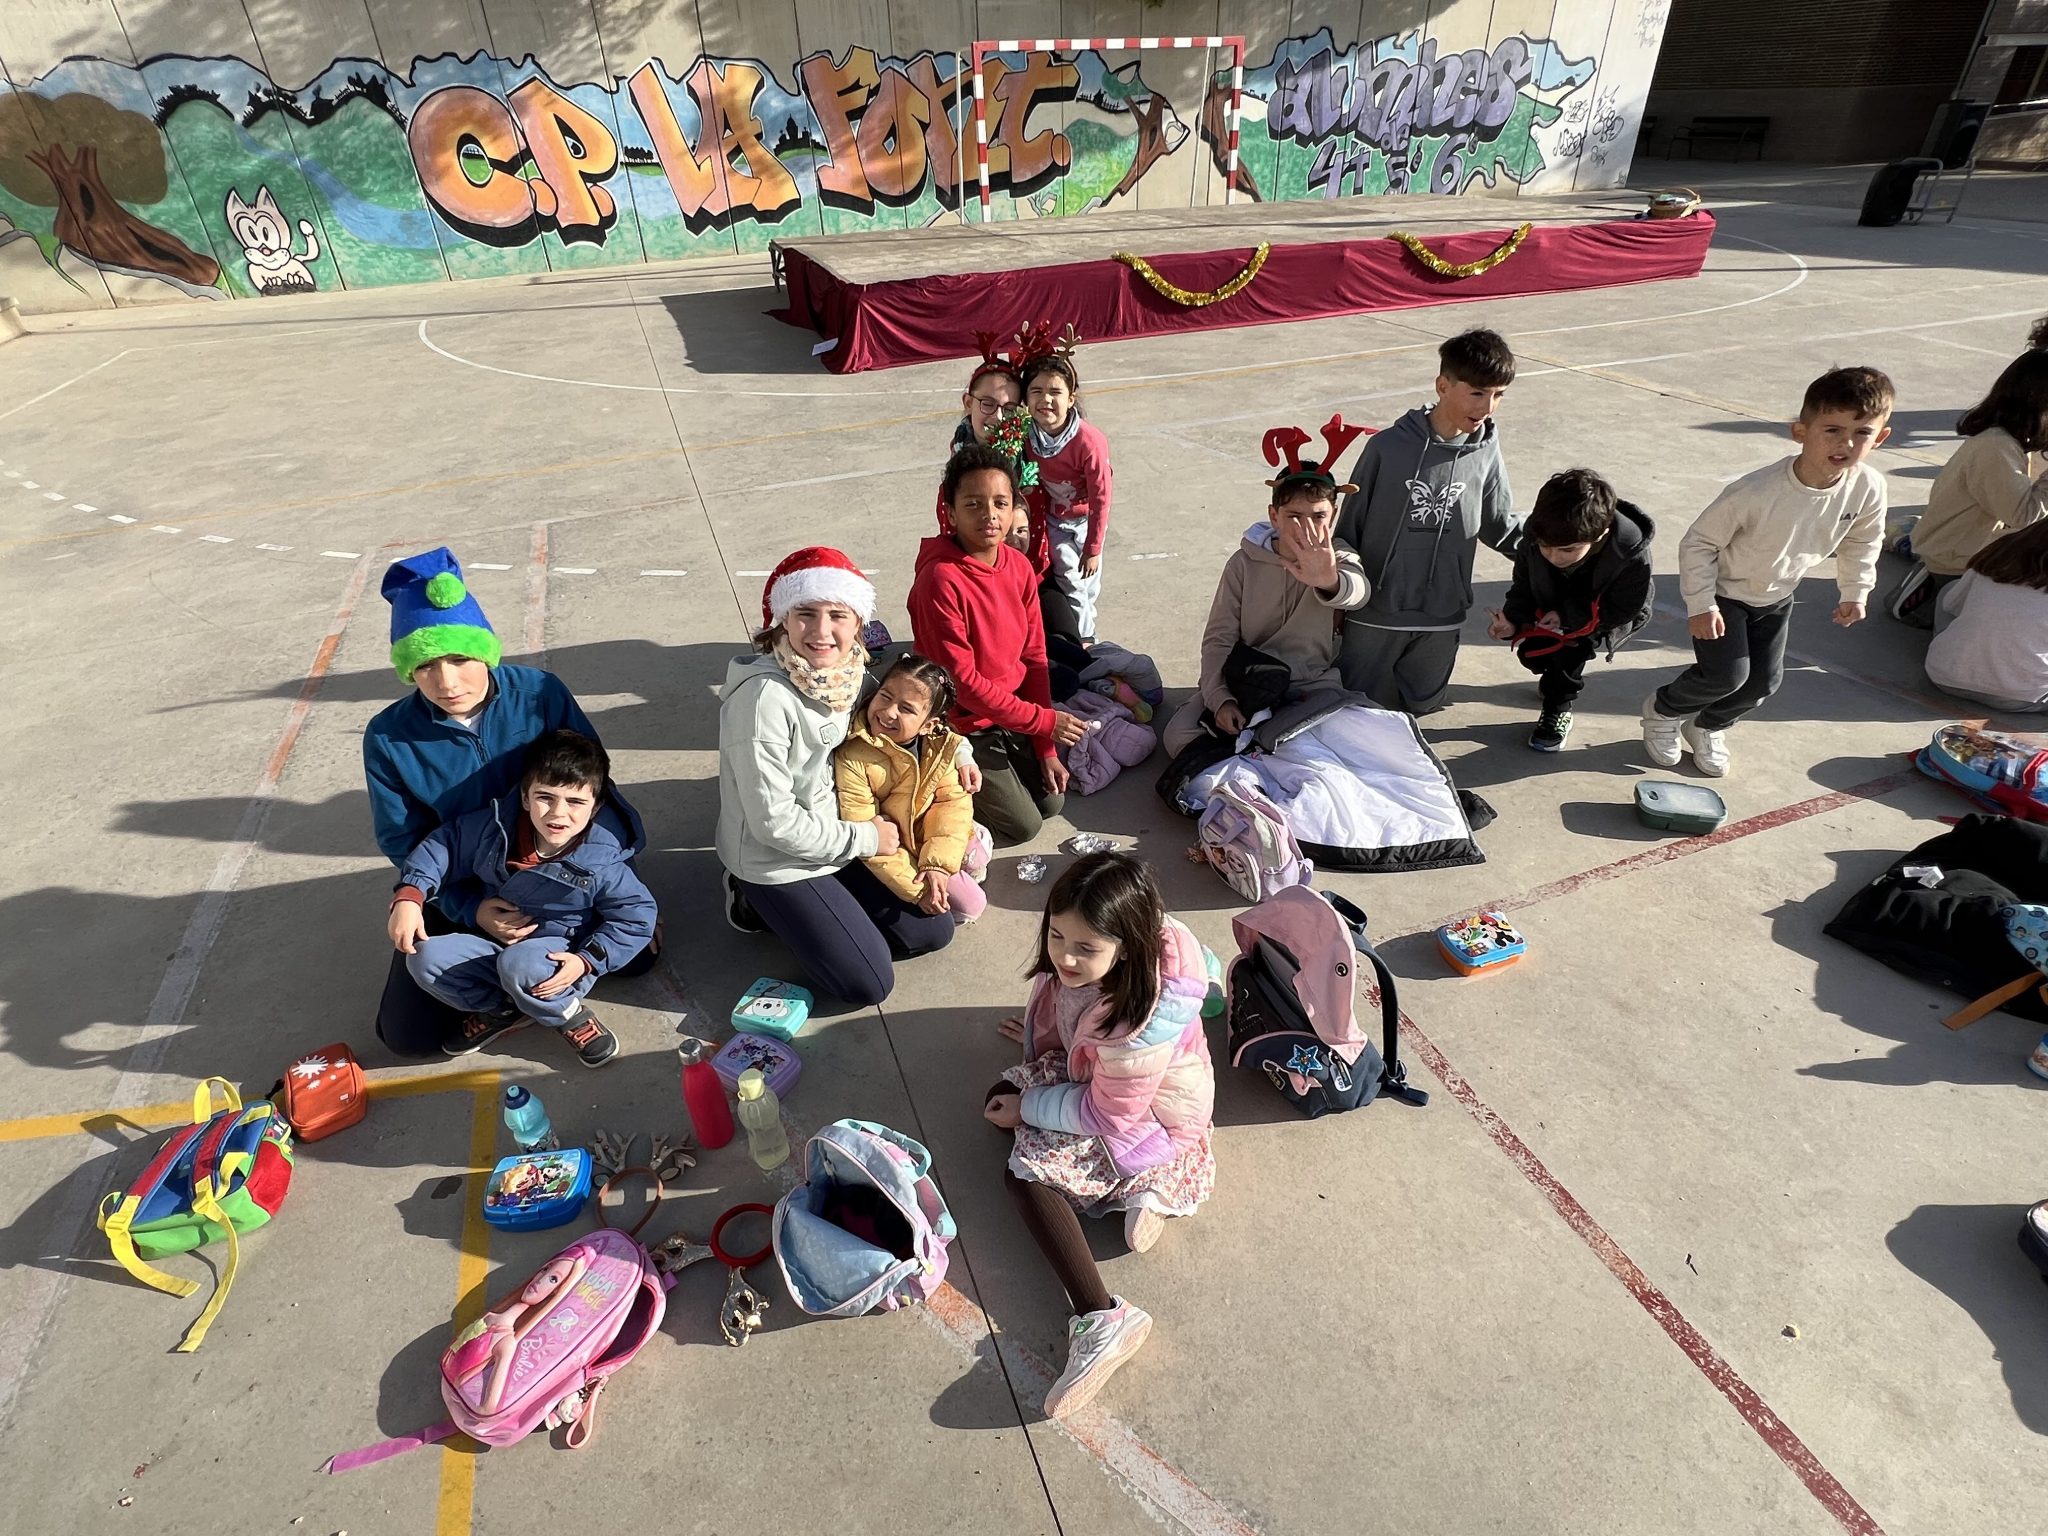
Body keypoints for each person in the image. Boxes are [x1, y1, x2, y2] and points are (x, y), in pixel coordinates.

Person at [362, 547, 657, 1058]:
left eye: (460, 658)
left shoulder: (540, 693)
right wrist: (467, 907)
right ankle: (509, 1001)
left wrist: (607, 873)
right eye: (425, 665)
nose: (447, 682)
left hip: (562, 871)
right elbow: (403, 838)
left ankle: (542, 974)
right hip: (470, 878)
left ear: (486, 651)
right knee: (407, 1036)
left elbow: (592, 784)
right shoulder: (388, 737)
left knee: (634, 958)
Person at [983, 852, 1216, 1417]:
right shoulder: (1113, 963)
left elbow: (1109, 1117)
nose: (1064, 956)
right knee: (998, 1096)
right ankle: (1146, 1192)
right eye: (1056, 935)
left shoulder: (1135, 1027)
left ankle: (1102, 1315)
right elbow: (1073, 1013)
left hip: (1148, 1115)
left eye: (1085, 948)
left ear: (1127, 947)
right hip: (1110, 1086)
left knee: (1024, 1175)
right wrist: (1043, 1032)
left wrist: (1029, 1108)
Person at [717, 547, 955, 1007]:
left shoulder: (849, 676)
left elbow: (908, 721)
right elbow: (773, 824)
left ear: (858, 622)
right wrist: (867, 839)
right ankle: (748, 897)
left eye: (837, 616)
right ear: (784, 620)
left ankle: (819, 915)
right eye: (805, 613)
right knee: (868, 984)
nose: (821, 631)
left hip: (839, 832)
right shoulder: (762, 702)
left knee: (933, 931)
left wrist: (959, 752)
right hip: (777, 857)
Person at [1643, 366, 1894, 777]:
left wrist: (1856, 590)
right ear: (1800, 431)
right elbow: (1699, 543)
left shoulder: (1868, 487)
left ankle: (1707, 725)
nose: (1846, 443)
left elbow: (1863, 540)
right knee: (1726, 676)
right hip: (1725, 596)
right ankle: (1663, 710)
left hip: (1777, 597)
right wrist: (1701, 604)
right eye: (1832, 429)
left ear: (1881, 437)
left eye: (1862, 432)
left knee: (1763, 684)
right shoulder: (1757, 491)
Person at [389, 730, 652, 1067]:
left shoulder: (602, 860)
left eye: (575, 802)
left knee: (521, 965)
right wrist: (410, 895)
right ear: (525, 798)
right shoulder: (495, 827)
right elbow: (445, 845)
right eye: (545, 797)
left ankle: (568, 1013)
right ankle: (503, 1009)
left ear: (596, 807)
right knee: (423, 957)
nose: (558, 813)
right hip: (497, 941)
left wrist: (587, 960)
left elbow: (636, 915)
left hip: (558, 956)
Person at [1161, 416, 1372, 757]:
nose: (1306, 528)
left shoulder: (1337, 556)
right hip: (1248, 680)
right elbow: (1218, 638)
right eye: (1294, 517)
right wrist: (1221, 699)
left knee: (1348, 742)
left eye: (1318, 516)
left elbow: (1359, 592)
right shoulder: (1244, 562)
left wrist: (1329, 581)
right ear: (1274, 516)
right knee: (1178, 737)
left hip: (1311, 686)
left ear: (1333, 515)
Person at [1336, 327, 1521, 714]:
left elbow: (1498, 525)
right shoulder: (1386, 447)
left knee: (1423, 709)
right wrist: (1339, 597)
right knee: (1356, 711)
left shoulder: (1486, 449)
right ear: (1442, 386)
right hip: (1377, 613)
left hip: (1442, 614)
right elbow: (1348, 530)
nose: (1488, 407)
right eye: (1477, 393)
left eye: (1498, 395)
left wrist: (1566, 547)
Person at [910, 445, 1088, 844]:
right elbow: (963, 685)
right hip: (961, 722)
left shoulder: (1019, 566)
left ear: (1013, 511)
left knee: (1051, 803)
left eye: (1000, 503)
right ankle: (939, 773)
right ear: (950, 513)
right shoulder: (940, 580)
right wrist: (1043, 722)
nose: (989, 514)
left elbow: (1035, 657)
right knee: (1025, 826)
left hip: (1007, 713)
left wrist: (1045, 748)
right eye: (973, 504)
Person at [1484, 468, 1656, 752]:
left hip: (1599, 612)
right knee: (1535, 656)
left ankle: (1558, 708)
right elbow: (1523, 586)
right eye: (1546, 547)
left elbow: (1624, 607)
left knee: (1569, 653)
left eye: (1567, 550)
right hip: (1551, 600)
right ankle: (1551, 678)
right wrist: (1513, 622)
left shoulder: (1630, 553)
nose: (1553, 557)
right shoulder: (1537, 535)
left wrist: (1568, 617)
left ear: (1600, 534)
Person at [1892, 344, 2048, 625]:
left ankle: (1914, 546)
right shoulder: (1995, 448)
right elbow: (2024, 516)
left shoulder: (2009, 442)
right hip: (1958, 565)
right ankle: (1930, 592)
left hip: (1969, 550)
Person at [834, 653, 993, 924]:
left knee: (976, 856)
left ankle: (963, 851)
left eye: (906, 709)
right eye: (885, 696)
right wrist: (918, 891)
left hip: (928, 829)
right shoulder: (853, 756)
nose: (889, 712)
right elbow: (866, 833)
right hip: (898, 848)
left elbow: (952, 801)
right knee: (971, 907)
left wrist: (937, 865)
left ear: (928, 726)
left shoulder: (938, 745)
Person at [1019, 328, 1114, 645]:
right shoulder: (1026, 436)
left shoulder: (1089, 441)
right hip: (1056, 521)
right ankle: (1085, 639)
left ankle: (1086, 628)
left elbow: (1101, 497)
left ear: (1071, 398)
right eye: (1036, 391)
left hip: (1087, 521)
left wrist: (1094, 549)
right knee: (1070, 579)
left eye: (1055, 392)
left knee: (1089, 585)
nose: (1045, 399)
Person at [1926, 520, 2048, 713]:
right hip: (2019, 696)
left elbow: (1951, 605)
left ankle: (1958, 653)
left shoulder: (1998, 555)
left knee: (1949, 590)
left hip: (1944, 676)